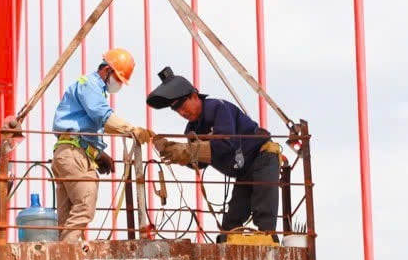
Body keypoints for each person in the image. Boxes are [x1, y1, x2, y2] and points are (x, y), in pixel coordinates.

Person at [146, 66, 281, 243]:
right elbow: (199, 163)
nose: (182, 112)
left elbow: (227, 144)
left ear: (194, 96)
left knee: (264, 211)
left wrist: (187, 151)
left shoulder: (217, 108)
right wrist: (177, 154)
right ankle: (228, 247)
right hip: (243, 170)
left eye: (182, 106)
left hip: (262, 157)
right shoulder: (192, 129)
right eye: (176, 110)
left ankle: (269, 243)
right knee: (231, 224)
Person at [51, 48, 153, 247]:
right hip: (73, 155)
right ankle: (67, 253)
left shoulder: (90, 87)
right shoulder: (90, 85)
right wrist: (132, 130)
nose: (118, 85)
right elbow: (102, 116)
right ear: (107, 70)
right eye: (118, 79)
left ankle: (64, 255)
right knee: (84, 206)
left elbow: (82, 131)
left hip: (69, 152)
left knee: (68, 214)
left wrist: (97, 153)